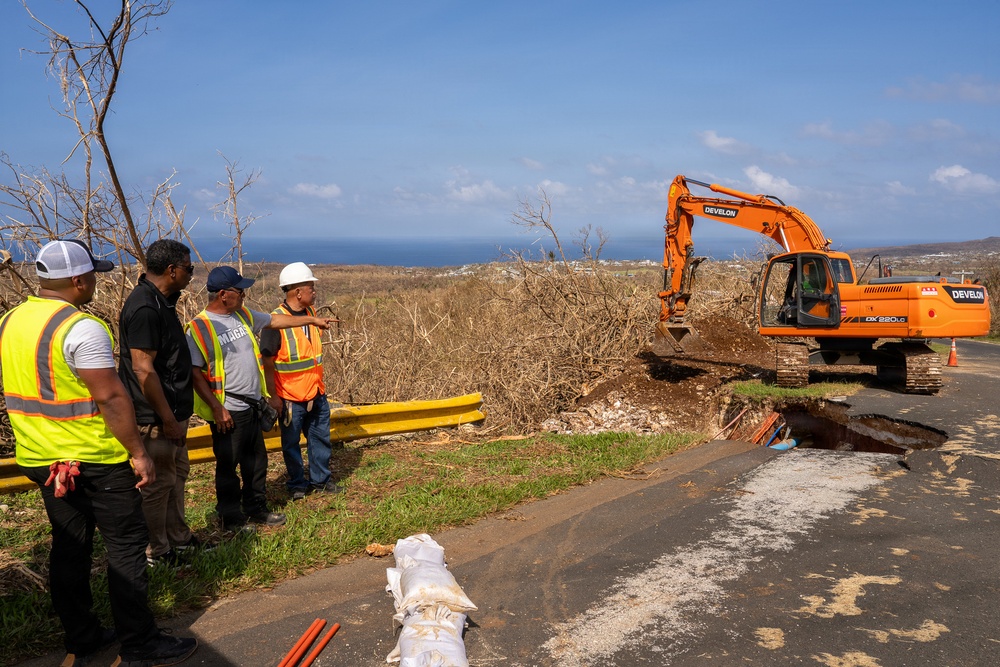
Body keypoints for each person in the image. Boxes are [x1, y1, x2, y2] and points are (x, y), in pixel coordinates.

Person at [0, 240, 197, 667]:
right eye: (92, 276)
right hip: (94, 459)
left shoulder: (10, 320)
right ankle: (139, 641)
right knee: (126, 546)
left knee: (69, 547)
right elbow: (110, 397)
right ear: (78, 280)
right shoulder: (80, 327)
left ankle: (83, 636)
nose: (95, 283)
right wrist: (138, 453)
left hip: (40, 459)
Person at [186, 266, 335, 532]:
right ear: (223, 294)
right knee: (229, 466)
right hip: (228, 410)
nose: (244, 295)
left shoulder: (242, 315)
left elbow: (275, 321)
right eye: (239, 290)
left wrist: (311, 321)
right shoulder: (200, 327)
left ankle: (256, 508)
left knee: (256, 463)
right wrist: (216, 408)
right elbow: (194, 373)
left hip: (253, 405)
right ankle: (231, 517)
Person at [118, 239, 201, 567]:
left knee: (176, 475)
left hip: (172, 414)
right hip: (155, 417)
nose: (190, 275)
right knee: (158, 484)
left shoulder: (161, 301)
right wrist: (166, 417)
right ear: (172, 270)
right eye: (188, 269)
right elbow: (143, 368)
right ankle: (157, 550)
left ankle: (178, 539)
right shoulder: (145, 308)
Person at [260, 262, 341, 501]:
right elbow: (267, 362)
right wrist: (274, 396)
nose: (314, 292)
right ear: (297, 292)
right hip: (290, 398)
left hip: (316, 392)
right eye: (310, 287)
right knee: (291, 445)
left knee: (319, 440)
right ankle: (297, 484)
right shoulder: (275, 322)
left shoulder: (311, 315)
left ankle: (321, 480)